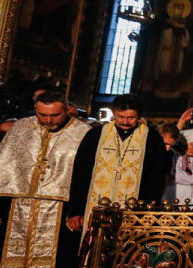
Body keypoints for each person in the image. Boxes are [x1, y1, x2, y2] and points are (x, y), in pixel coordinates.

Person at [0, 91, 89, 268]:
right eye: (42, 115)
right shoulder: (20, 129)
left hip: (59, 209)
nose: (48, 121)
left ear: (67, 109)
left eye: (55, 115)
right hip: (17, 205)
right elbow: (3, 168)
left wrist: (76, 210)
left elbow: (83, 177)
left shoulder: (83, 133)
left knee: (56, 264)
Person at [67, 94, 167, 235]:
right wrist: (75, 210)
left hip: (134, 210)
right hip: (94, 207)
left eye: (131, 118)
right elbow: (80, 173)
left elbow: (156, 178)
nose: (125, 122)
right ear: (113, 113)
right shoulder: (96, 135)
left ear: (139, 116)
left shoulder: (152, 138)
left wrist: (148, 212)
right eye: (120, 116)